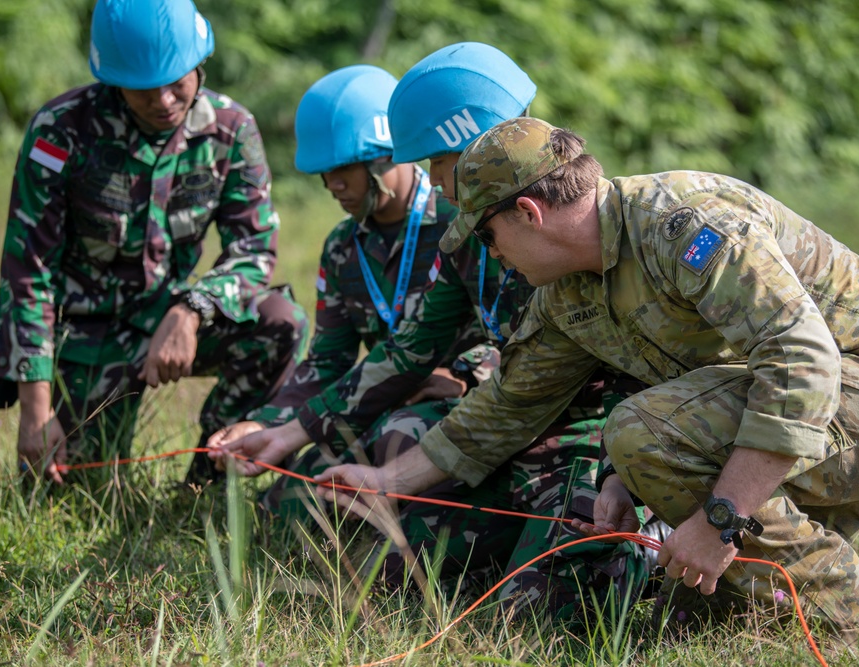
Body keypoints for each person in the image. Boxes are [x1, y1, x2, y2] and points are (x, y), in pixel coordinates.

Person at [321, 115, 859, 655]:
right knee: (694, 609)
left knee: (641, 436)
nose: (493, 256)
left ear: (528, 214)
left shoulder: (681, 223)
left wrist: (720, 520)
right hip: (809, 420)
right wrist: (387, 482)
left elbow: (800, 362)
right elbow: (508, 405)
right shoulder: (567, 291)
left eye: (487, 235)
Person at [210, 43, 659, 625]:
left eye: (438, 166)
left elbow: (643, 377)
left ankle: (645, 539)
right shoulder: (462, 246)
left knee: (533, 619)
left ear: (482, 150)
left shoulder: (571, 233)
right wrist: (288, 431)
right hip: (499, 435)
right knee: (377, 563)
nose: (435, 184)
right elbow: (407, 352)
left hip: (584, 450)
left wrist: (622, 477)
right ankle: (510, 550)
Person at [0, 0, 308, 486]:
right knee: (70, 492)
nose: (163, 100)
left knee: (280, 323)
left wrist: (192, 309)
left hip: (171, 318)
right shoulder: (61, 130)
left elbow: (254, 247)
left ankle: (210, 481)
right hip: (85, 337)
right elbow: (29, 271)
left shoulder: (231, 129)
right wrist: (35, 409)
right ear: (114, 80)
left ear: (200, 63)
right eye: (143, 88)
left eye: (176, 82)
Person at [209, 64, 455, 491]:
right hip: (375, 400)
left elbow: (510, 328)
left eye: (343, 169)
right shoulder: (343, 248)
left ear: (385, 154)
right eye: (324, 173)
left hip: (456, 407)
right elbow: (327, 361)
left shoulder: (457, 223)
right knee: (296, 490)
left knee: (393, 442)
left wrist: (468, 374)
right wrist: (263, 423)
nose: (332, 185)